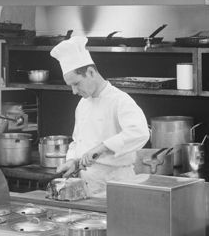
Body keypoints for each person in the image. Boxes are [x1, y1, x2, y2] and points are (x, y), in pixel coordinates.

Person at [49, 35, 149, 194]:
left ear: (90, 72)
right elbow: (78, 140)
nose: (74, 91)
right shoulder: (83, 103)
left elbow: (140, 133)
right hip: (87, 184)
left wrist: (103, 147)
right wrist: (72, 161)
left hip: (116, 184)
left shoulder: (120, 100)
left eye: (76, 84)